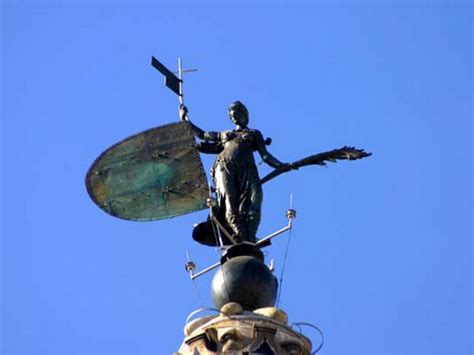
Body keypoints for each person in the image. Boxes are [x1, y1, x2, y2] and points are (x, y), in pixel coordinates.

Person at [180, 101, 286, 244]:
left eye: (237, 113)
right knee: (229, 199)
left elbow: (265, 156)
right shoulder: (224, 134)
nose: (234, 116)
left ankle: (249, 234)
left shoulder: (254, 133)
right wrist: (185, 119)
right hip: (225, 167)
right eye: (232, 115)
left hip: (247, 169)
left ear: (245, 115)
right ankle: (239, 234)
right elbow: (202, 134)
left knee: (256, 199)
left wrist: (281, 165)